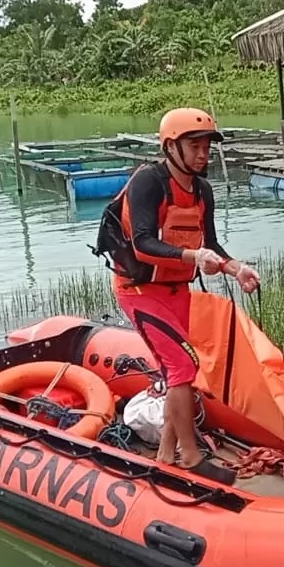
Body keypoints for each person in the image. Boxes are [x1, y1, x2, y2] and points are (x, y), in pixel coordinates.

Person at [92, 107, 261, 486]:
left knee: (175, 371)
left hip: (177, 291)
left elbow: (210, 243)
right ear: (171, 147)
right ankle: (190, 456)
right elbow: (143, 243)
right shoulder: (149, 183)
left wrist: (237, 268)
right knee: (184, 368)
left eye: (206, 146)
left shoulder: (202, 190)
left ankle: (166, 452)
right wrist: (191, 256)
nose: (203, 154)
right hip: (139, 291)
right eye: (194, 146)